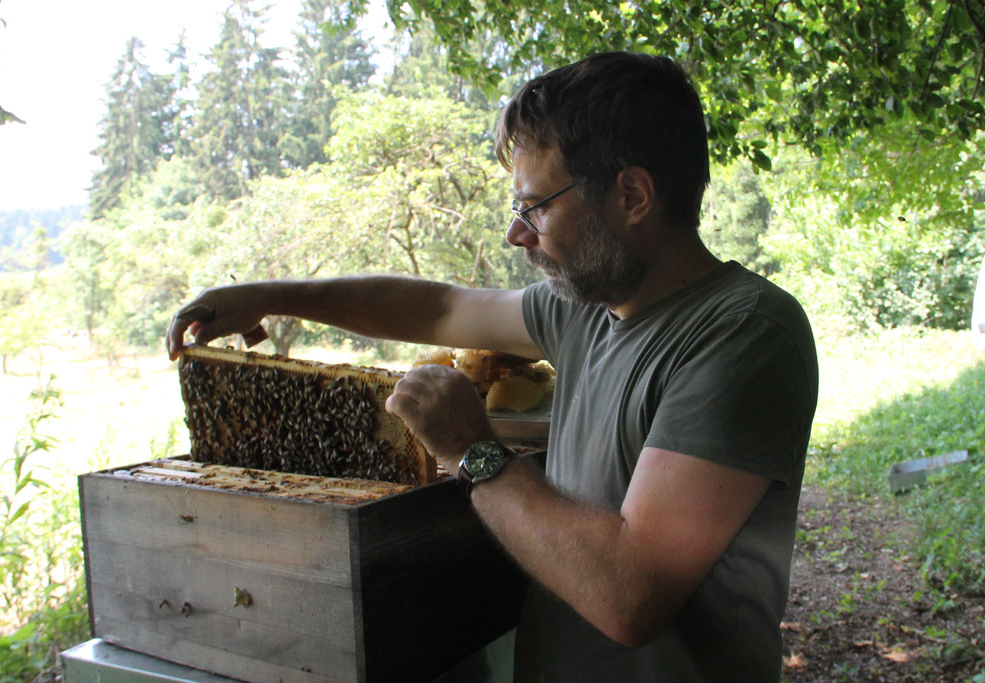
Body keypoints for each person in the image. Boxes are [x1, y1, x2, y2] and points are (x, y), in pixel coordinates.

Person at [166, 51, 818, 682]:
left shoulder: (744, 334)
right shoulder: (584, 311)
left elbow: (630, 594)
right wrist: (274, 296)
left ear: (633, 195)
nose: (517, 233)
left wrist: (471, 449)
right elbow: (442, 307)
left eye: (535, 205)